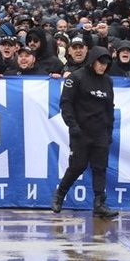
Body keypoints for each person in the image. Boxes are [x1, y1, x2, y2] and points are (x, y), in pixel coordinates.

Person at [51, 46, 118, 218]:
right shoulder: (76, 77)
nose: (103, 66)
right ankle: (60, 194)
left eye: (106, 63)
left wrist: (109, 131)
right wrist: (73, 127)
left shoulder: (108, 81)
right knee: (77, 166)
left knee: (100, 168)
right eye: (100, 62)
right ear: (92, 61)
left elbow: (109, 108)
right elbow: (66, 104)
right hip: (81, 131)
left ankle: (99, 204)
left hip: (101, 132)